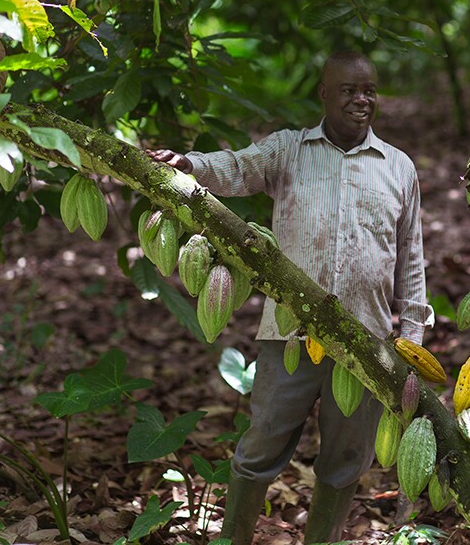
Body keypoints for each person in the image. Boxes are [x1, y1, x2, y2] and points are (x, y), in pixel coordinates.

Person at [147, 51, 434, 544]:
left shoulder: (398, 167)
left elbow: (410, 258)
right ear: (324, 93)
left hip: (366, 343)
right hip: (290, 333)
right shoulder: (289, 151)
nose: (361, 100)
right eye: (348, 90)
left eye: (369, 90)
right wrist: (189, 164)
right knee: (261, 447)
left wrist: (412, 338)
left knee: (346, 460)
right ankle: (233, 537)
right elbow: (236, 168)